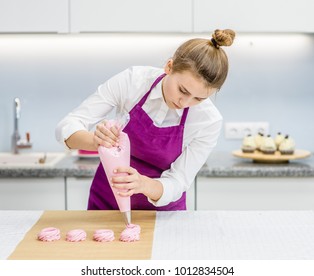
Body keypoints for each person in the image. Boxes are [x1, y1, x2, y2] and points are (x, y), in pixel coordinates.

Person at [55, 29, 236, 211]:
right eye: (183, 90)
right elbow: (67, 126)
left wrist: (143, 184)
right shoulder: (133, 81)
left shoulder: (209, 121)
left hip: (163, 216)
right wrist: (96, 142)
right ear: (169, 67)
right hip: (107, 205)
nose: (185, 103)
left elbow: (179, 180)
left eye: (199, 99)